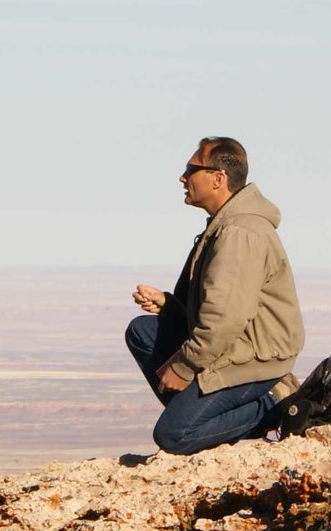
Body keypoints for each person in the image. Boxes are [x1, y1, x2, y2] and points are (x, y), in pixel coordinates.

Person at [125, 136, 305, 455]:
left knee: (173, 436)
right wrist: (170, 305)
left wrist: (184, 367)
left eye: (190, 169)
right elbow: (219, 307)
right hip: (232, 346)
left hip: (255, 359)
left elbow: (224, 321)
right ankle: (210, 420)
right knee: (142, 331)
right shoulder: (224, 226)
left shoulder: (240, 233)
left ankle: (275, 405)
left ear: (218, 178)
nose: (183, 178)